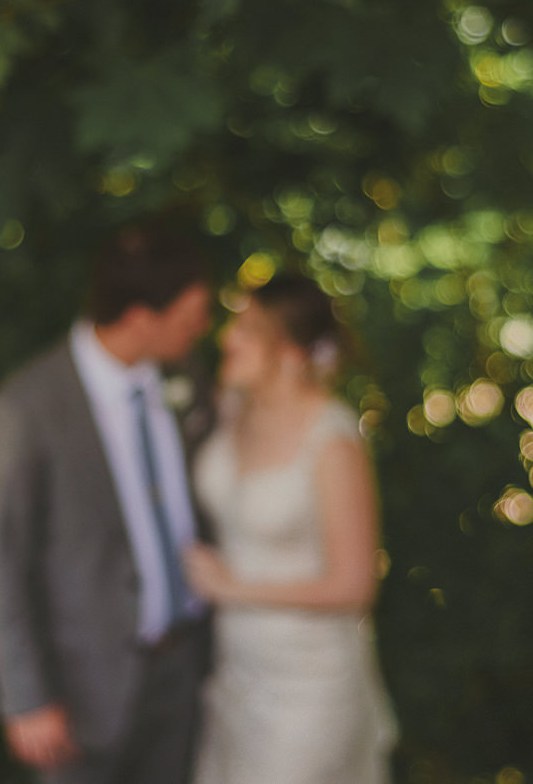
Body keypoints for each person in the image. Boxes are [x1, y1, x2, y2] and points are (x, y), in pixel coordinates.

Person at [0, 223, 216, 784]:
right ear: (139, 319)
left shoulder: (187, 381)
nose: (204, 328)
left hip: (182, 673)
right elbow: (1, 562)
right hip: (82, 689)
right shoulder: (23, 412)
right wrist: (25, 698)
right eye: (192, 314)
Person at [185, 273, 397, 784]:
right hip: (235, 676)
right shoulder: (232, 408)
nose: (227, 338)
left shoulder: (331, 440)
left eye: (249, 329)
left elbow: (355, 586)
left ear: (293, 351)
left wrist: (231, 587)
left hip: (309, 687)